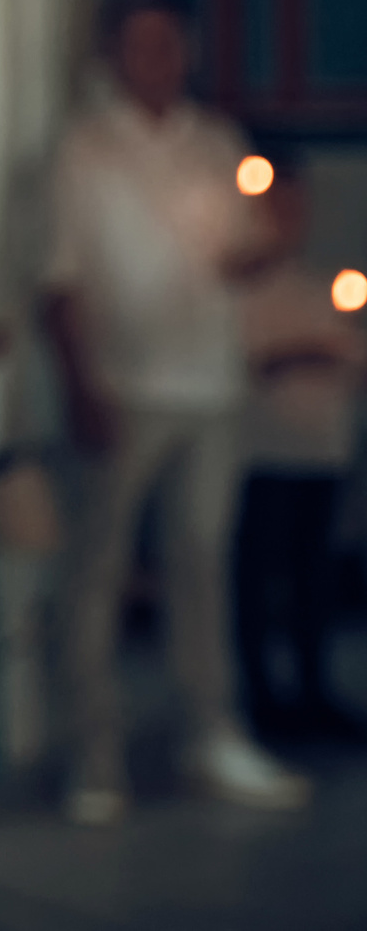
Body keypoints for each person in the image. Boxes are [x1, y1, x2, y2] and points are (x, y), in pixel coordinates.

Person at [41, 0, 309, 824]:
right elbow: (59, 278)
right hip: (124, 382)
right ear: (115, 52)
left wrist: (272, 242)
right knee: (101, 569)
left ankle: (212, 730)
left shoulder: (217, 142)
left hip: (209, 380)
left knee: (204, 558)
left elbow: (237, 254)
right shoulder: (82, 151)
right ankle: (93, 751)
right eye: (142, 42)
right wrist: (82, 383)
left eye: (172, 41)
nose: (158, 57)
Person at [232, 160, 367, 744]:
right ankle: (260, 696)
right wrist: (305, 352)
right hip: (262, 453)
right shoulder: (238, 291)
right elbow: (243, 363)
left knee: (313, 576)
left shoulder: (317, 288)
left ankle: (314, 689)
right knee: (259, 577)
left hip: (321, 452)